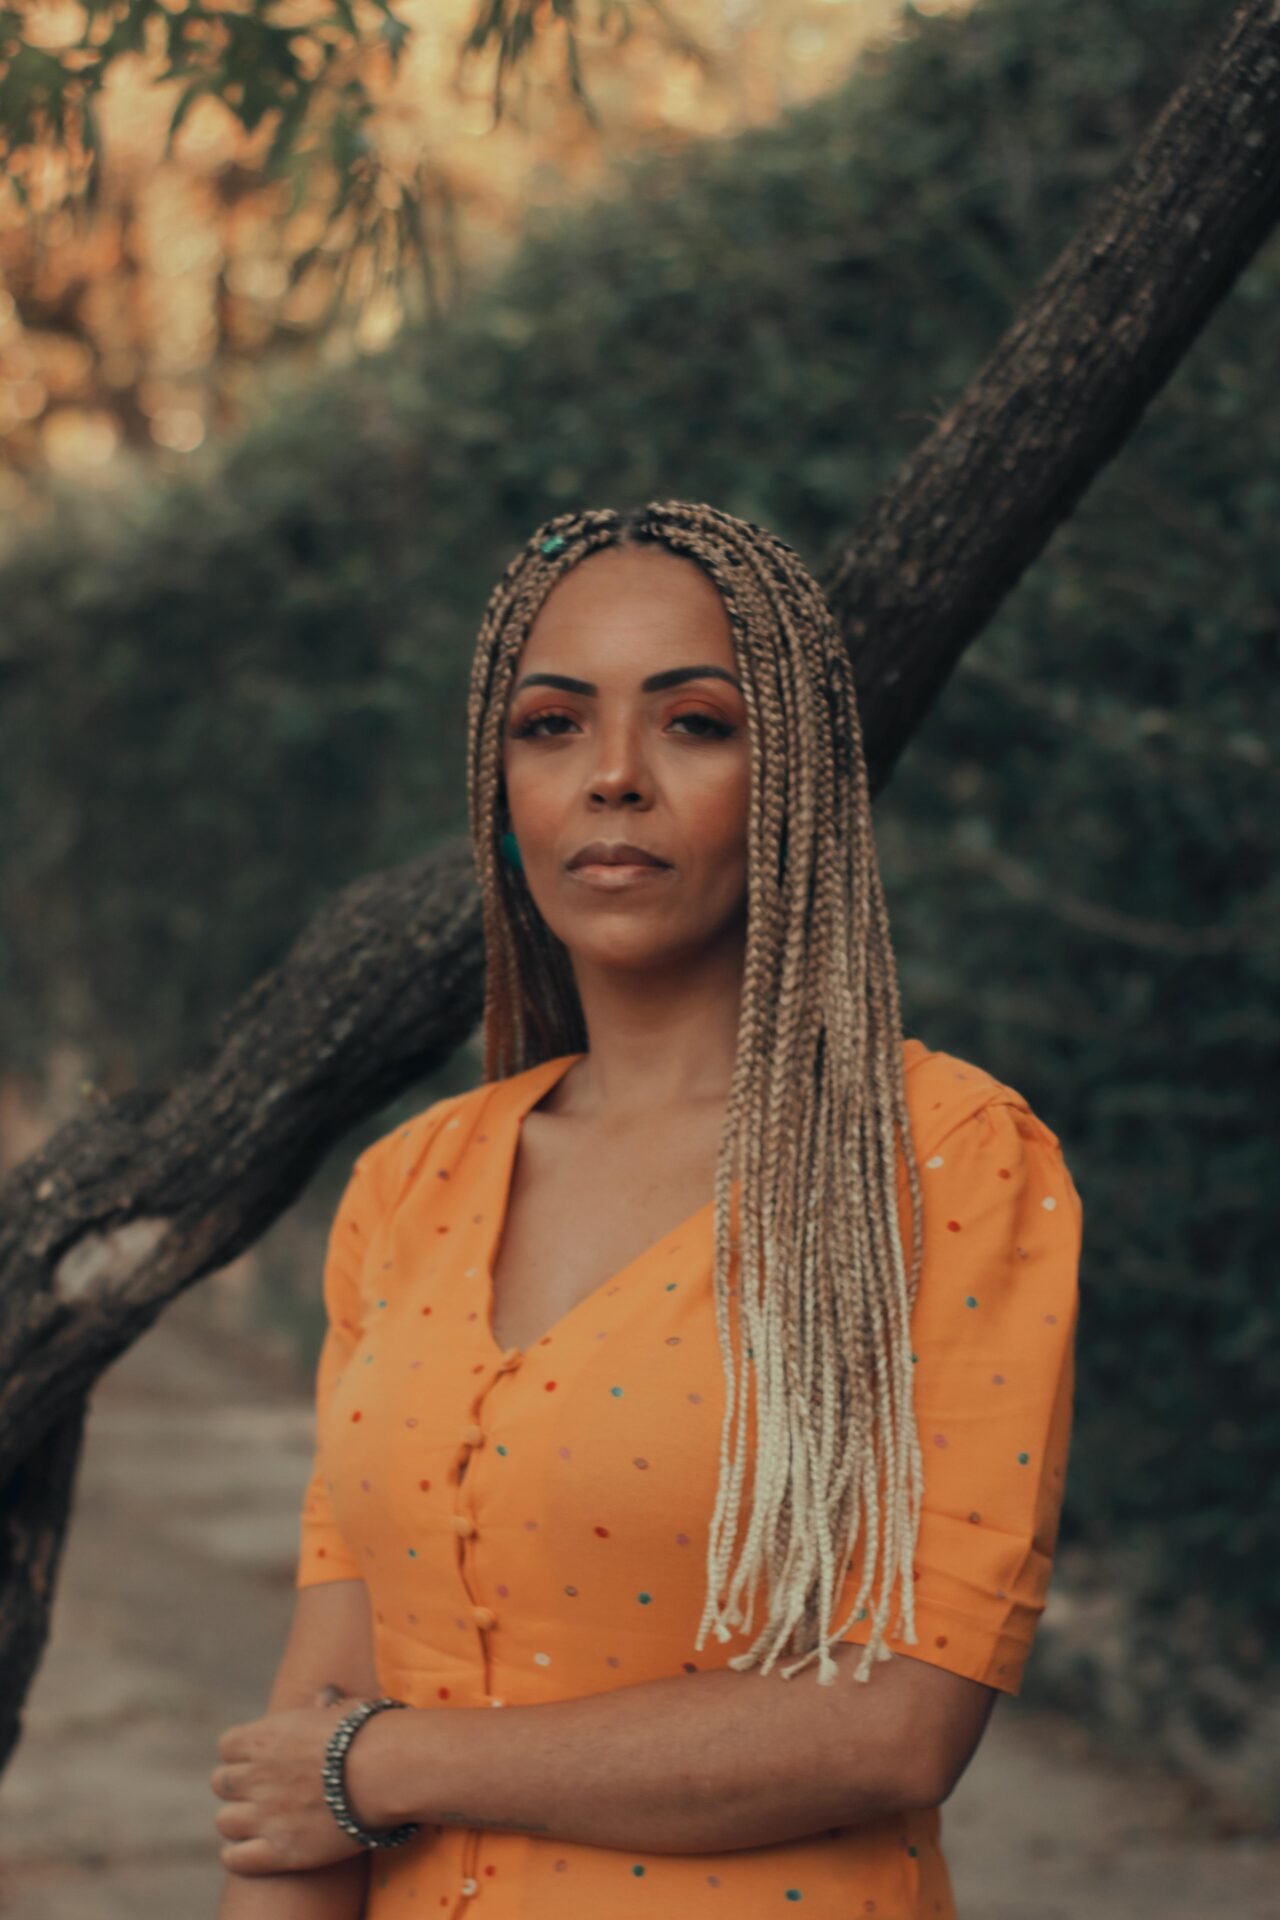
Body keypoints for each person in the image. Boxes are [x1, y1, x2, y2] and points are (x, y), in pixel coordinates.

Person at [211, 500, 1082, 1918]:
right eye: (552, 727)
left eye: (695, 724)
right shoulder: (409, 1184)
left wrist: (385, 1766)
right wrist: (340, 1772)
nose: (614, 776)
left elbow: (892, 1724)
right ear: (501, 800)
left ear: (790, 779)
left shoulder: (947, 1161)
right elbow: (308, 1735)